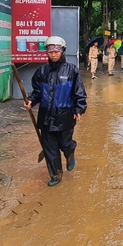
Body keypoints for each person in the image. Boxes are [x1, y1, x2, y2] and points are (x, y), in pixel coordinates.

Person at [24, 36, 87, 187]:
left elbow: (79, 92)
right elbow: (37, 92)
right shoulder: (42, 71)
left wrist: (79, 109)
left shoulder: (72, 70)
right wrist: (31, 101)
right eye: (50, 51)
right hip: (46, 116)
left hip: (65, 115)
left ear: (62, 51)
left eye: (56, 51)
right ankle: (56, 174)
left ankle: (70, 150)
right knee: (50, 147)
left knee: (64, 142)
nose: (53, 54)